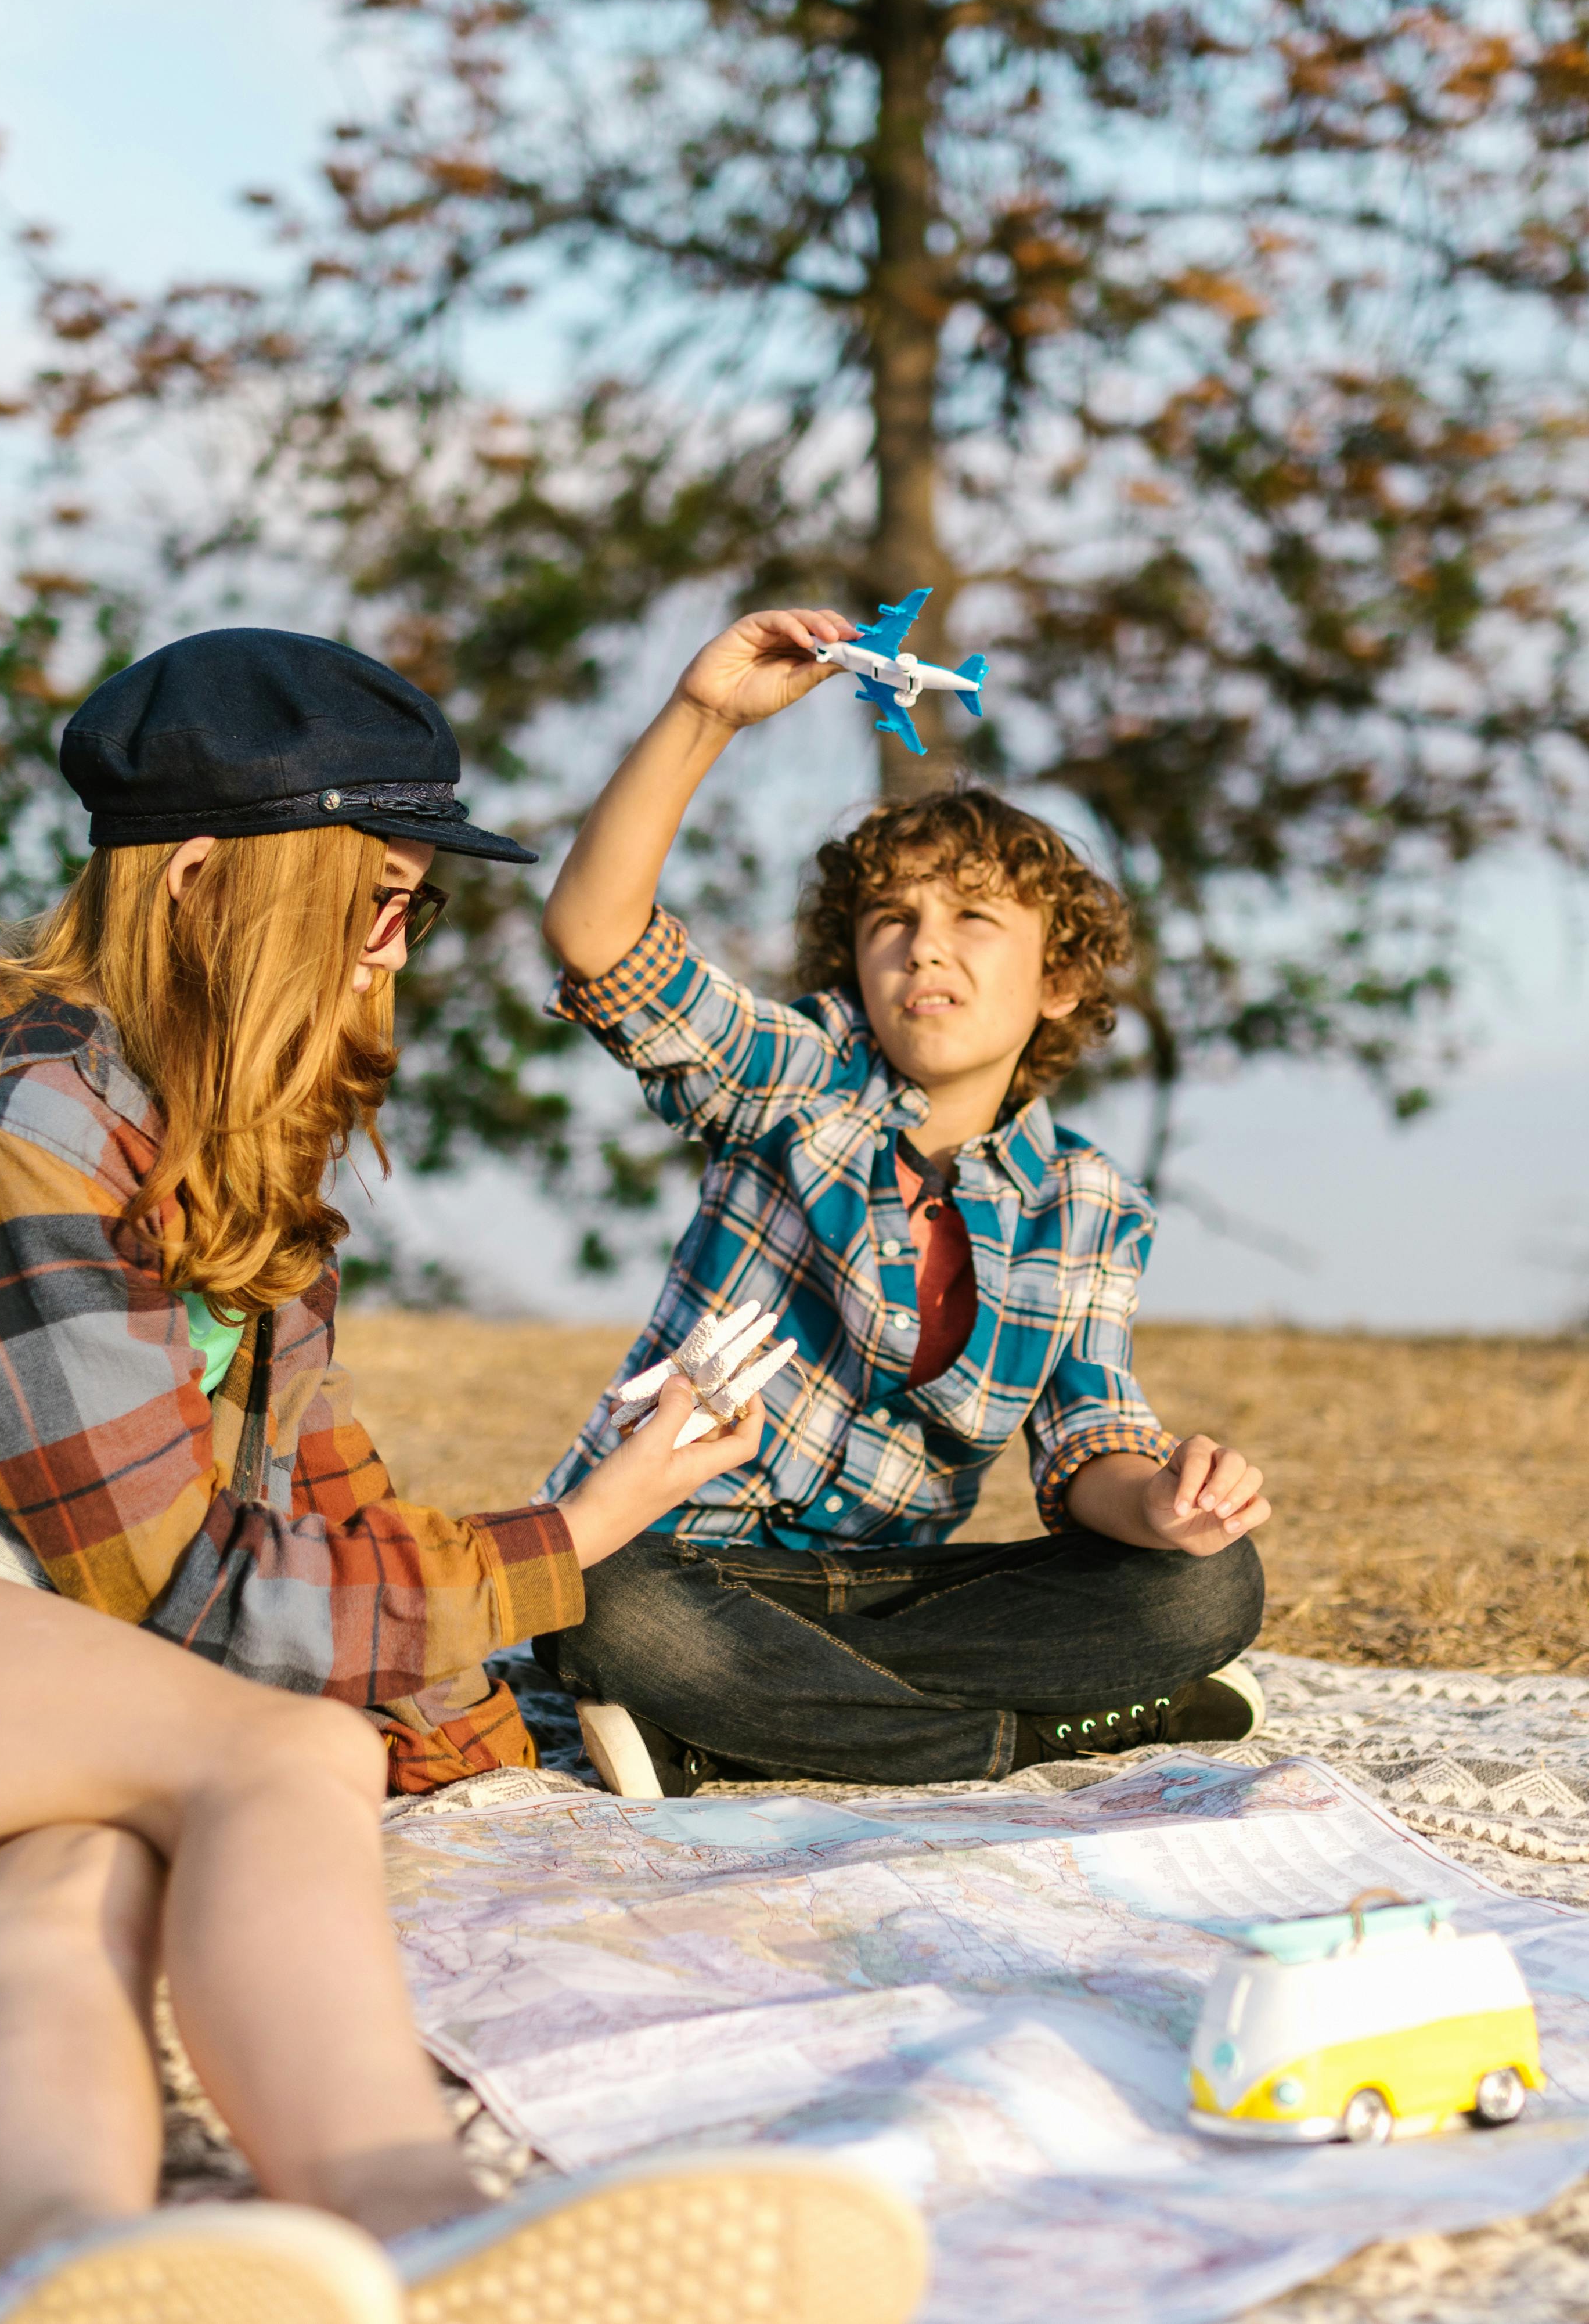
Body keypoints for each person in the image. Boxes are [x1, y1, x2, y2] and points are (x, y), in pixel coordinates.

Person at [0, 628, 927, 2324]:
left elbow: (319, 1487)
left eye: (418, 905)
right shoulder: (26, 1118)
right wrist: (573, 1539)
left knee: (65, 1917)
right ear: (210, 884)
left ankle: (70, 2267)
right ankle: (422, 2226)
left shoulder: (238, 1122)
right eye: (374, 895)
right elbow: (187, 1589)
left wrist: (464, 1705)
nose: (402, 944)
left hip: (28, 1657)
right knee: (280, 1748)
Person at [533, 608, 1275, 1801]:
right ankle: (1029, 1740)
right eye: (892, 922)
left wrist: (1170, 1501)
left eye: (972, 917)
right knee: (607, 1600)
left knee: (1209, 1585)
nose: (924, 947)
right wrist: (705, 712)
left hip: (885, 1591)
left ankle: (735, 1728)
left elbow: (1085, 1446)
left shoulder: (1084, 1200)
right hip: (681, 1556)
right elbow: (596, 936)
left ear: (1060, 978)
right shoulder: (796, 1076)